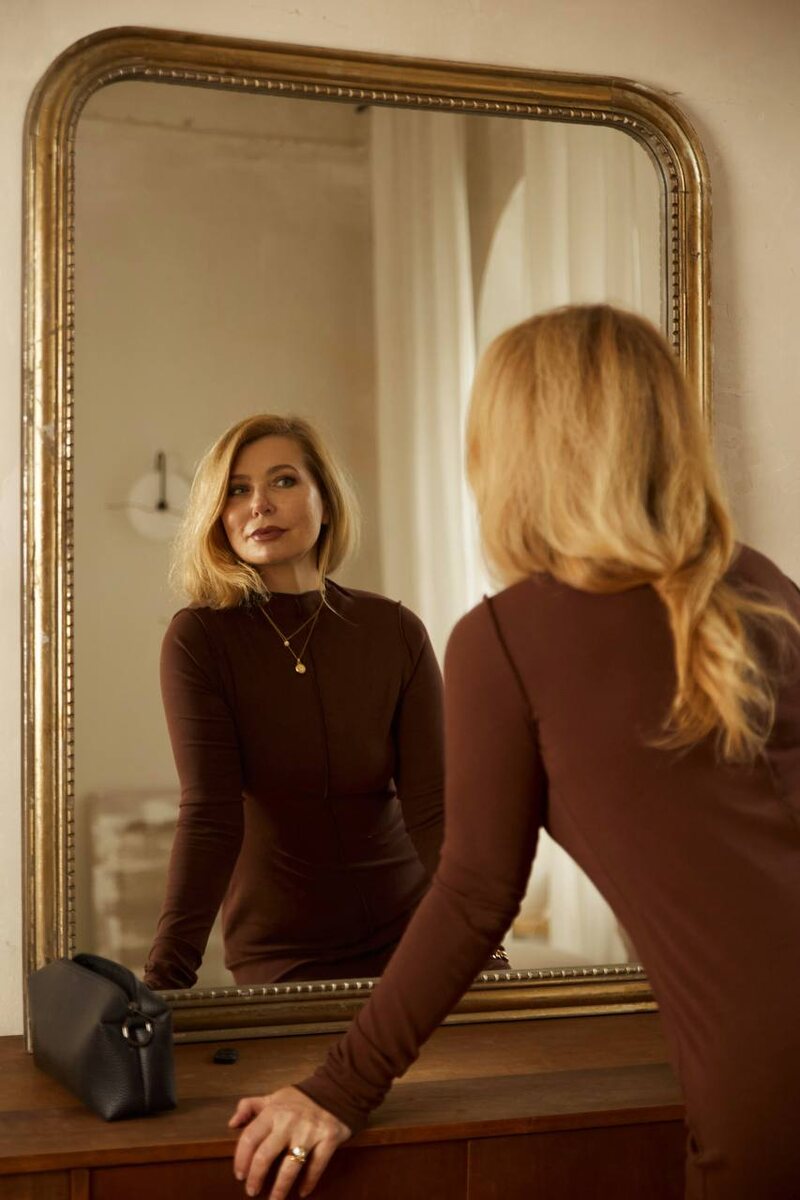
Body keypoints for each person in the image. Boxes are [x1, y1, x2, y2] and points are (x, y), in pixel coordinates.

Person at [228, 306, 800, 1200]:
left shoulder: (505, 639)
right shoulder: (758, 581)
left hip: (769, 1070)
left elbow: (474, 893)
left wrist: (339, 1086)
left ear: (517, 451)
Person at [143, 414, 446, 989]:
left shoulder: (394, 630)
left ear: (325, 502)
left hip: (416, 933)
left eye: (283, 481)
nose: (259, 504)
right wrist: (164, 980)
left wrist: (485, 945)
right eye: (238, 490)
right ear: (219, 515)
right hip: (280, 950)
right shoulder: (199, 639)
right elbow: (209, 816)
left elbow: (432, 809)